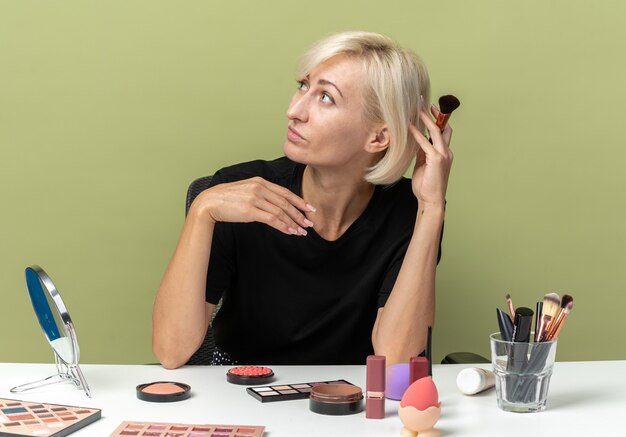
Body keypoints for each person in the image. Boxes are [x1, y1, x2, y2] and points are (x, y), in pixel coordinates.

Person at [152, 31, 454, 369]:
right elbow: (170, 350)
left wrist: (431, 208)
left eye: (325, 97)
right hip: (238, 391)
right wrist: (202, 210)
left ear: (379, 136)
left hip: (348, 400)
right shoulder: (236, 192)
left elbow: (397, 361)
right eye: (303, 86)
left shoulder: (409, 213)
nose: (294, 110)